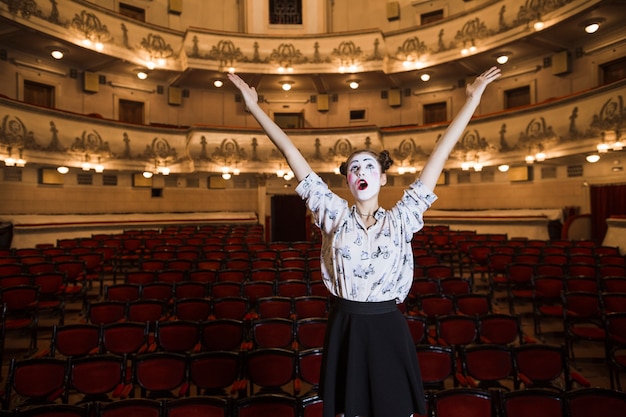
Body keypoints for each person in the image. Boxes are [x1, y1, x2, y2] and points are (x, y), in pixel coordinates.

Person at [229, 66, 501, 417]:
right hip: (347, 326)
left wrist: (471, 102)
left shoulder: (403, 219)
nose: (360, 172)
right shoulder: (333, 214)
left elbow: (439, 156)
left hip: (388, 326)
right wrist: (254, 108)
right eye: (354, 167)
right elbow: (292, 154)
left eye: (369, 166)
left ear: (383, 178)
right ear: (347, 179)